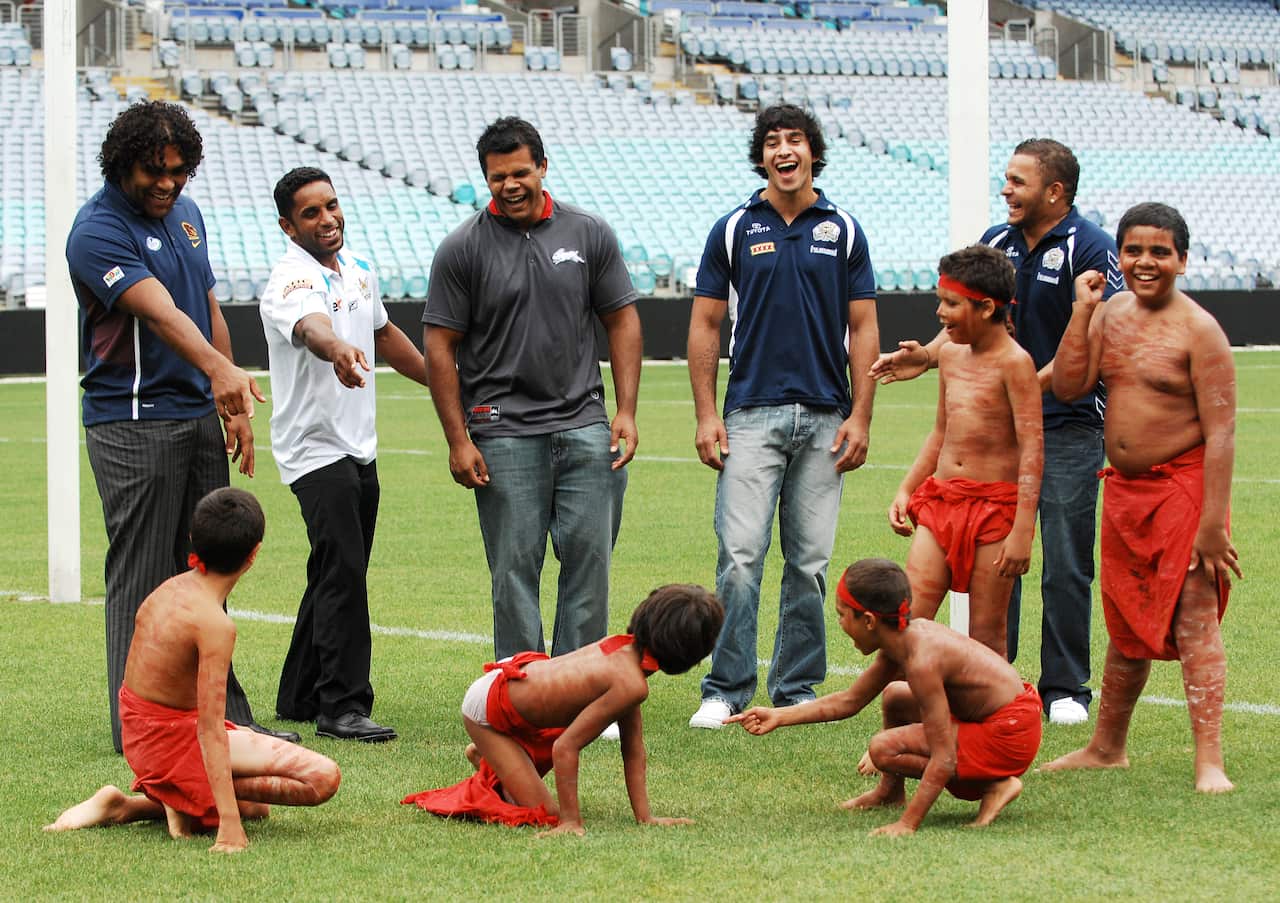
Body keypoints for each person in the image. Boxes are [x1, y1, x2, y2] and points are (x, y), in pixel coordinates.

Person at [66, 100, 296, 752]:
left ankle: (224, 718)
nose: (167, 183)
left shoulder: (187, 215)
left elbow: (205, 306)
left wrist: (231, 398)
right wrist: (219, 371)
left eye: (179, 171)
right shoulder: (96, 230)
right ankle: (137, 729)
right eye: (154, 171)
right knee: (142, 577)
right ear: (121, 164)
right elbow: (161, 311)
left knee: (208, 572)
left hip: (194, 415)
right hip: (133, 422)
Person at [870, 138, 1121, 726]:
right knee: (996, 569)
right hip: (995, 432)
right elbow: (965, 324)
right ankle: (985, 679)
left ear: (1054, 191)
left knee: (1064, 560)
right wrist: (927, 356)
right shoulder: (997, 242)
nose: (1005, 190)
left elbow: (1094, 336)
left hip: (1067, 422)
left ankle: (1065, 688)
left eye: (1017, 181)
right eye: (1006, 179)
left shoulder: (1091, 247)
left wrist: (1020, 385)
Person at [686, 104, 879, 729]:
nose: (783, 150)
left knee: (810, 566)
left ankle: (796, 688)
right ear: (762, 156)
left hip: (827, 416)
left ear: (813, 152)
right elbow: (706, 324)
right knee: (740, 559)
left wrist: (861, 416)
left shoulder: (844, 230)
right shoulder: (733, 228)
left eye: (795, 140)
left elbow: (864, 327)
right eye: (772, 142)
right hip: (749, 414)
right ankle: (725, 688)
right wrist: (706, 414)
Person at [423, 117, 643, 662]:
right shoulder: (461, 248)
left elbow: (621, 320)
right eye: (498, 177)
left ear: (543, 167)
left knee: (590, 565)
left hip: (585, 427)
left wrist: (626, 410)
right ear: (485, 179)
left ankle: (578, 683)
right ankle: (522, 690)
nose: (510, 185)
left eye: (520, 172)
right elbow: (439, 347)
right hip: (502, 434)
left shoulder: (589, 233)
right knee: (513, 573)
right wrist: (458, 440)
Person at [1042, 203, 1239, 793]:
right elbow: (1071, 384)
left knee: (1194, 616)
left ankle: (1210, 760)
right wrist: (1082, 312)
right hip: (1125, 491)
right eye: (1134, 250)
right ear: (1119, 256)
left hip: (1184, 489)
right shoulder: (1109, 313)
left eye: (1159, 252)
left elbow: (1222, 433)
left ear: (1182, 259)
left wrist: (1212, 526)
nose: (1145, 262)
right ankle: (1107, 747)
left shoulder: (1200, 330)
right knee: (1126, 620)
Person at [44, 489, 341, 853]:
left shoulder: (167, 590)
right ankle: (176, 794)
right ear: (254, 554)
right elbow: (210, 729)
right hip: (170, 742)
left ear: (192, 538)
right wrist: (229, 827)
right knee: (322, 778)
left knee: (256, 808)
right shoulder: (214, 624)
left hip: (140, 735)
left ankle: (128, 806)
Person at [259, 167, 428, 742]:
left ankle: (299, 693)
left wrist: (442, 383)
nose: (327, 218)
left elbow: (383, 335)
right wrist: (336, 349)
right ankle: (342, 706)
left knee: (333, 569)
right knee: (345, 573)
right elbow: (313, 329)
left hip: (358, 445)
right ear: (288, 226)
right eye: (311, 213)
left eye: (331, 205)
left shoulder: (356, 269)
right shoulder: (290, 279)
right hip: (314, 449)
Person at [728, 559, 1042, 834]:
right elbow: (850, 701)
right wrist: (779, 716)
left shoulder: (922, 662)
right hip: (1001, 717)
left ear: (869, 621)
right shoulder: (902, 639)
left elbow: (944, 756)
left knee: (883, 748)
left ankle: (994, 784)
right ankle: (889, 793)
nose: (840, 624)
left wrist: (908, 824)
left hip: (1010, 733)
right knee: (894, 695)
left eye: (842, 615)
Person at [403, 585, 724, 835]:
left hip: (510, 692)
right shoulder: (630, 682)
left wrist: (646, 817)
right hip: (487, 710)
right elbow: (565, 747)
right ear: (691, 656)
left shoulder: (626, 651)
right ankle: (490, 750)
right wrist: (570, 820)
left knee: (543, 780)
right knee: (546, 815)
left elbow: (633, 749)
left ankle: (495, 754)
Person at [888, 246, 1042, 658]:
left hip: (994, 513)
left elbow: (1032, 449)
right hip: (941, 502)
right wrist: (907, 488)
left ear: (987, 307)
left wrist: (1022, 530)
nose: (940, 312)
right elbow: (941, 432)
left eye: (951, 303)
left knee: (987, 635)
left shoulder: (1015, 363)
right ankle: (906, 698)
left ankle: (991, 704)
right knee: (908, 621)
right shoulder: (951, 355)